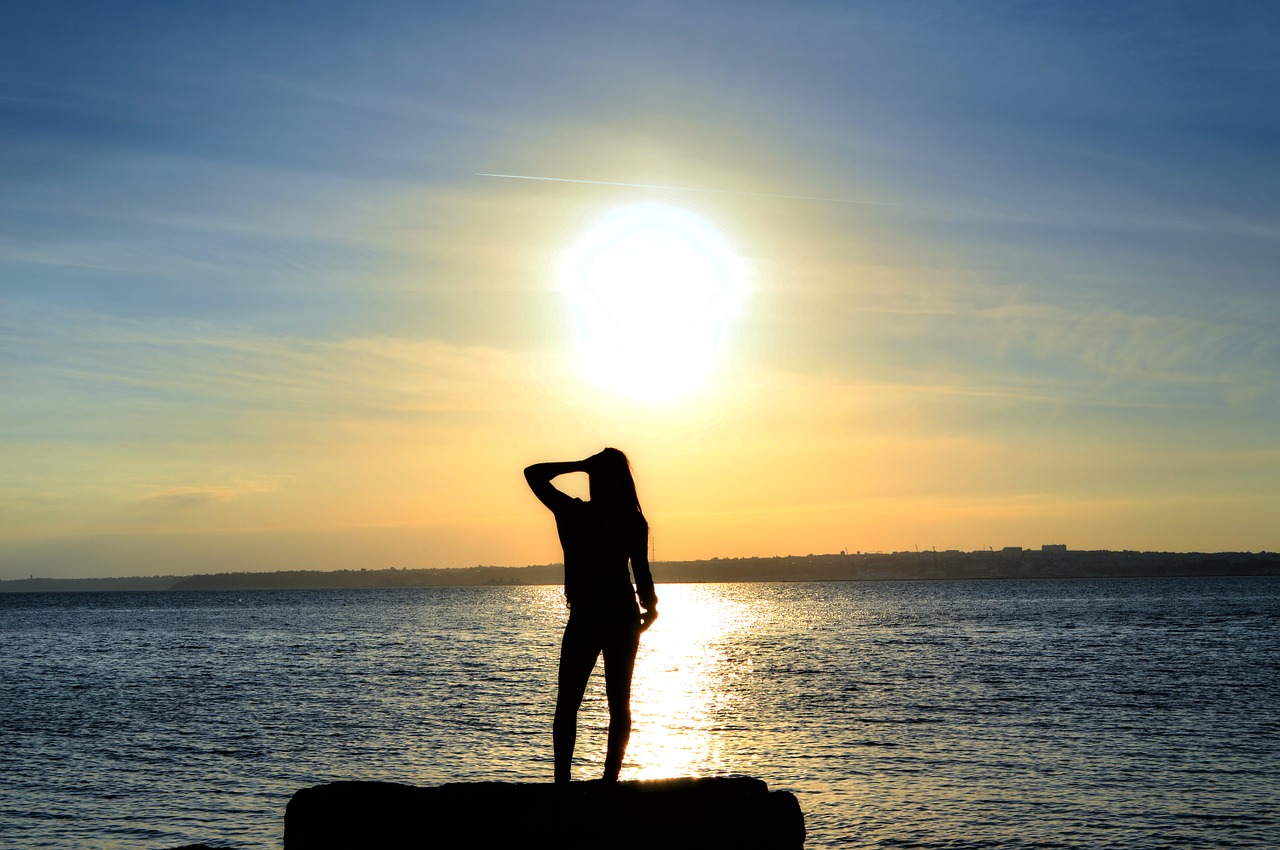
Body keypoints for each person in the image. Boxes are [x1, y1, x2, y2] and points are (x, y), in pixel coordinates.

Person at [524, 448, 658, 783]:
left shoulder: (573, 513)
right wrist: (650, 607)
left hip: (589, 615)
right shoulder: (629, 518)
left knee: (569, 702)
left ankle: (563, 783)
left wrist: (580, 466)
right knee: (617, 703)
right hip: (620, 613)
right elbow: (640, 572)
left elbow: (533, 474)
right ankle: (608, 783)